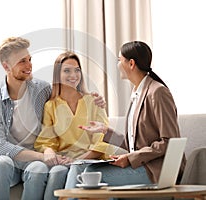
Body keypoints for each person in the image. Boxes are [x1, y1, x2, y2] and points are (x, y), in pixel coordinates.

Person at [0, 37, 106, 200]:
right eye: (22, 61)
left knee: (38, 170)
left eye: (29, 59)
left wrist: (98, 100)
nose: (29, 65)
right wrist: (42, 156)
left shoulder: (42, 89)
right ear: (6, 66)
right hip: (10, 158)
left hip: (35, 159)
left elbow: (66, 95)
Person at [74, 41, 186, 188]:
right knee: (85, 169)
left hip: (156, 170)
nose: (118, 64)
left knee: (89, 175)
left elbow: (169, 141)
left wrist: (130, 158)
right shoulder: (137, 93)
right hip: (141, 165)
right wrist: (105, 130)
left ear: (131, 63)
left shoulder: (157, 92)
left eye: (120, 60)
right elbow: (135, 145)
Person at [34, 51, 117, 188]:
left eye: (77, 70)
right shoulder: (51, 105)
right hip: (64, 161)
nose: (73, 75)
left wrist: (77, 160)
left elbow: (102, 141)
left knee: (72, 170)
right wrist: (49, 151)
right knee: (56, 173)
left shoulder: (94, 101)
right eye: (67, 71)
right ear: (58, 75)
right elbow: (46, 140)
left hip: (91, 160)